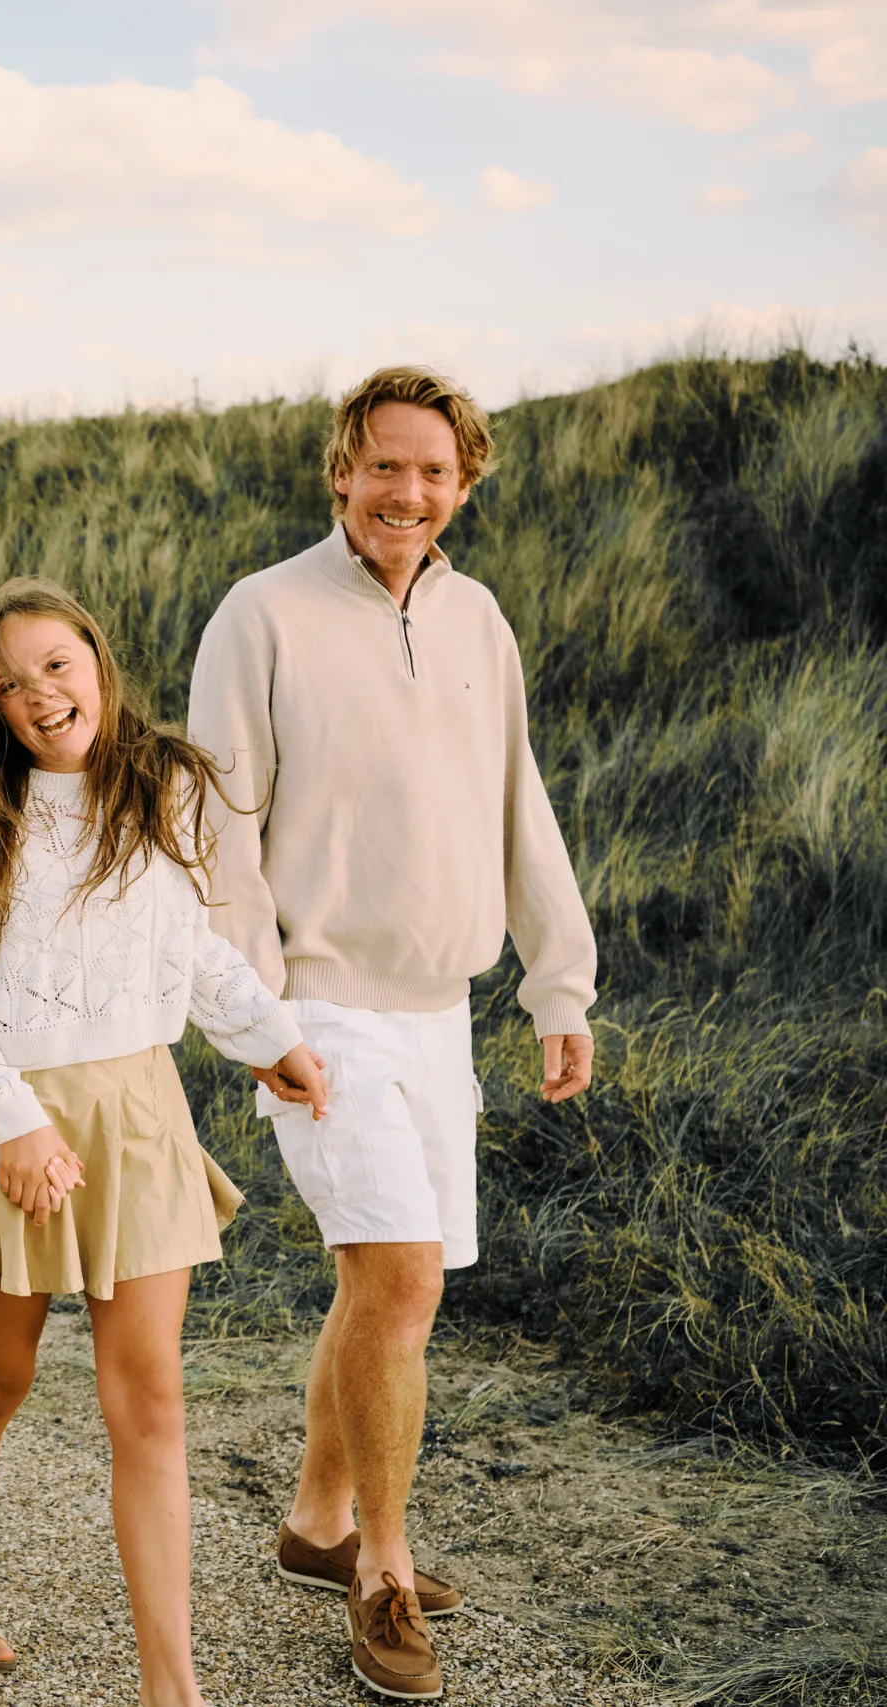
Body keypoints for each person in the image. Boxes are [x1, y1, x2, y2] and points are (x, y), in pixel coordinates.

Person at [189, 364, 599, 1701]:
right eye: (384, 465)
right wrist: (255, 1019)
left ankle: (316, 1521)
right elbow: (219, 830)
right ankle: (381, 1566)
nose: (406, 493)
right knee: (404, 1281)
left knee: (382, 1285)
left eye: (433, 471)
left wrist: (557, 984)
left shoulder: (478, 618)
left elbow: (517, 801)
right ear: (340, 471)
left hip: (440, 1015)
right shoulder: (260, 614)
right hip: (318, 1002)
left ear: (462, 484)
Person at [0, 577, 331, 1707]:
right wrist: (16, 1122)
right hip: (12, 1120)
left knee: (148, 1401)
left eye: (56, 664)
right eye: (9, 683)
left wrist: (269, 1036)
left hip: (139, 1117)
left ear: (96, 660)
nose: (40, 695)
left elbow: (185, 947)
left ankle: (168, 1685)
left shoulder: (165, 786)